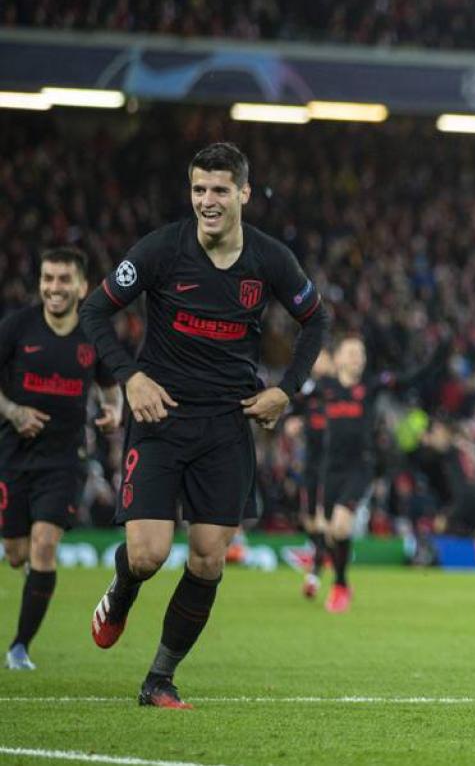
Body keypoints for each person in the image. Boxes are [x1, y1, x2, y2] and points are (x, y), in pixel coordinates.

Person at [79, 142, 329, 708]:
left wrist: (284, 391)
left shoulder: (268, 260)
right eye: (198, 190)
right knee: (146, 555)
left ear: (242, 192)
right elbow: (94, 310)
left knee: (209, 557)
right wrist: (129, 378)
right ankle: (122, 592)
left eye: (219, 190)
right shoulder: (161, 250)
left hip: (227, 424)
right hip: (160, 415)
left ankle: (159, 679)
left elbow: (317, 320)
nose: (207, 201)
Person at [0, 247, 122, 670]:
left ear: (81, 285)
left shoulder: (94, 334)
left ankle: (19, 647)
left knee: (45, 545)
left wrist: (115, 410)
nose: (54, 287)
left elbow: (110, 386)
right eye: (48, 278)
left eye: (63, 279)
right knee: (16, 553)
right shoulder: (17, 327)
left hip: (64, 459)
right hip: (13, 456)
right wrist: (14, 412)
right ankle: (30, 576)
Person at [317, 336, 443, 612]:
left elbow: (408, 379)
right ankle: (334, 577)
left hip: (360, 466)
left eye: (360, 353)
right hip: (330, 469)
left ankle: (340, 585)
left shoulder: (371, 386)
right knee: (328, 533)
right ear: (337, 359)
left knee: (341, 525)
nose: (357, 358)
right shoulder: (324, 388)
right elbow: (297, 403)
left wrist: (436, 359)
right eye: (351, 352)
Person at [288, 348, 334, 600]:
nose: (319, 362)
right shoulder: (308, 389)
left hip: (331, 464)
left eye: (324, 357)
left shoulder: (338, 388)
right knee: (308, 519)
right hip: (311, 463)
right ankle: (321, 556)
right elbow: (291, 412)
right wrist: (292, 424)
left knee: (321, 519)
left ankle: (316, 572)